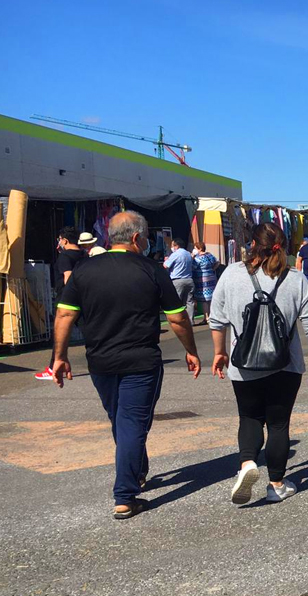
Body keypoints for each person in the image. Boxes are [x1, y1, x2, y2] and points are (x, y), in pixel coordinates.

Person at [51, 212, 202, 519]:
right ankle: (125, 495)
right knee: (132, 423)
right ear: (136, 238)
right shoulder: (151, 270)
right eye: (146, 237)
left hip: (100, 362)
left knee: (121, 420)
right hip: (141, 361)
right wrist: (191, 350)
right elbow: (177, 317)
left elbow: (64, 315)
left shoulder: (84, 270)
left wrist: (60, 356)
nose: (147, 243)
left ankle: (138, 470)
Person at [209, 222, 308, 505]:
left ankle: (247, 464)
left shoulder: (231, 274)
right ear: (283, 245)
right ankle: (276, 485)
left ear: (252, 244)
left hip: (243, 363)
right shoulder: (295, 278)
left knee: (249, 417)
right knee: (278, 423)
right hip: (285, 364)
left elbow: (217, 319)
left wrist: (219, 353)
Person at [35, 227, 88, 381]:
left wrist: (69, 295)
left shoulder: (65, 256)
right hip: (84, 298)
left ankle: (53, 368)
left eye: (60, 239)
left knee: (60, 335)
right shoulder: (84, 255)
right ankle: (105, 357)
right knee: (89, 330)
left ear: (64, 240)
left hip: (67, 300)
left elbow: (68, 277)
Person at [164, 237, 196, 324]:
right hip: (189, 280)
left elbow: (166, 266)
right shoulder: (188, 254)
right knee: (189, 301)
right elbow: (194, 266)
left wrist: (166, 260)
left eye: (172, 245)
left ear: (176, 246)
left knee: (176, 302)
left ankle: (178, 320)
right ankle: (190, 321)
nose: (172, 247)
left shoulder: (175, 254)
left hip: (177, 280)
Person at [192, 242, 219, 324]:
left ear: (200, 249)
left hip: (202, 280)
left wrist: (192, 257)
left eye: (195, 248)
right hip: (211, 278)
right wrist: (213, 269)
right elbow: (217, 262)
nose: (194, 250)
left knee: (204, 299)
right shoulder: (209, 255)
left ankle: (206, 317)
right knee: (210, 298)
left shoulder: (198, 258)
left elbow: (193, 267)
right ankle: (211, 316)